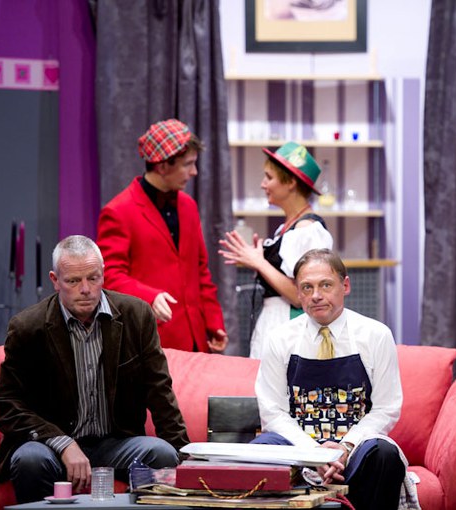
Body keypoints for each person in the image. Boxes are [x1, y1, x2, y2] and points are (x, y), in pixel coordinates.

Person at [0, 235, 189, 503]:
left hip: (117, 443)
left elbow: (159, 391)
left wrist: (187, 459)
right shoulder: (28, 327)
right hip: (51, 446)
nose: (86, 289)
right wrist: (62, 443)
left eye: (93, 278)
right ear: (55, 280)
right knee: (29, 458)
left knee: (161, 453)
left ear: (103, 275)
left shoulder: (136, 316)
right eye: (73, 281)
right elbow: (4, 403)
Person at [252, 248, 406, 510]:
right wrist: (312, 452)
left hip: (355, 448)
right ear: (298, 292)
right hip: (298, 446)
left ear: (345, 286)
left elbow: (386, 408)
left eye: (326, 285)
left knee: (384, 454)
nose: (316, 295)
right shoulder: (279, 339)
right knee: (259, 451)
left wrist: (344, 447)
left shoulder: (376, 335)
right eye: (307, 287)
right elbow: (272, 412)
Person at [97, 119, 227, 353]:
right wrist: (149, 296)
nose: (194, 172)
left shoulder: (188, 206)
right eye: (188, 164)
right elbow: (110, 276)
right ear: (163, 166)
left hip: (196, 340)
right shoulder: (118, 211)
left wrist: (213, 323)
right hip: (150, 340)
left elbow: (200, 272)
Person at [218, 141, 332, 359]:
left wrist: (259, 263)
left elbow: (301, 296)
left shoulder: (308, 229)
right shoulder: (287, 228)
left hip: (290, 325)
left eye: (269, 177)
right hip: (274, 321)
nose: (263, 184)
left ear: (290, 182)